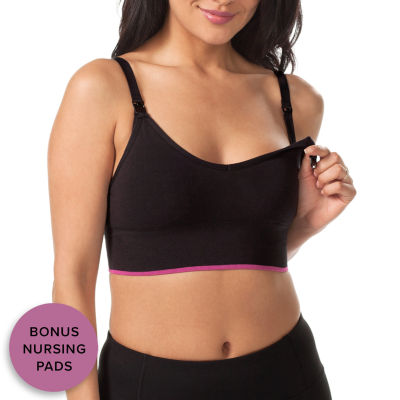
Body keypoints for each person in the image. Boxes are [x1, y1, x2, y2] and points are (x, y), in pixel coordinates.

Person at [48, 0, 357, 399]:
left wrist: (307, 223)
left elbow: (241, 254)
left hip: (287, 372)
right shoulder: (103, 88)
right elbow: (71, 278)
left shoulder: (295, 100)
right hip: (151, 384)